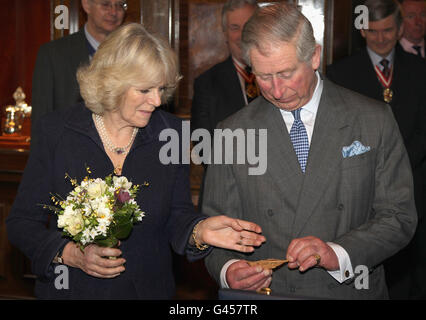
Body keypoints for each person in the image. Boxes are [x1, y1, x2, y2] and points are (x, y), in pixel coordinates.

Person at [6, 23, 266, 299]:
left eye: (161, 88)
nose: (156, 100)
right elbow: (22, 223)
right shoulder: (58, 132)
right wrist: (70, 254)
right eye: (144, 90)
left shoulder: (171, 134)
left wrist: (199, 231)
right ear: (112, 84)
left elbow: (177, 216)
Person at [203, 2, 417, 299]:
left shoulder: (372, 120)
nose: (277, 91)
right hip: (270, 293)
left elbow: (399, 217)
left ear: (314, 56)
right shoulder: (233, 132)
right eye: (263, 77)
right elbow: (215, 230)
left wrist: (338, 253)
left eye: (286, 73)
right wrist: (228, 270)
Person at [327, 0, 426, 299]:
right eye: (373, 31)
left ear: (399, 30)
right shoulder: (339, 74)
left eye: (387, 31)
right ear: (362, 32)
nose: (380, 38)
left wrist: (399, 164)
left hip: (415, 186)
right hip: (362, 191)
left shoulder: (421, 71)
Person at [31, 0, 127, 133]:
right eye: (106, 5)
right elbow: (41, 119)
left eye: (120, 6)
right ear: (87, 5)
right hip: (67, 149)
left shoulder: (133, 55)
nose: (114, 12)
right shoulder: (53, 54)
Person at [191, 0, 259, 137]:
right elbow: (204, 147)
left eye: (248, 26)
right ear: (225, 34)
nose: (242, 35)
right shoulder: (206, 84)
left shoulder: (280, 76)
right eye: (235, 28)